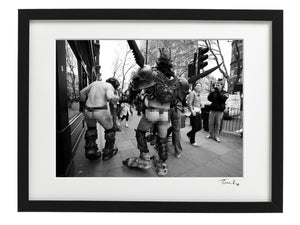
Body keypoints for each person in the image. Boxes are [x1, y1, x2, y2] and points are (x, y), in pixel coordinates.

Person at [123, 51, 178, 176]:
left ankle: (144, 158)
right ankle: (162, 165)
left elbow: (135, 86)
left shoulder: (154, 75)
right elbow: (176, 100)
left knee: (140, 132)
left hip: (153, 111)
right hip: (166, 113)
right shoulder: (174, 80)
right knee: (163, 139)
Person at [80, 77, 120, 160]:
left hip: (88, 110)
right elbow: (110, 96)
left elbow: (82, 92)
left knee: (91, 129)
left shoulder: (94, 83)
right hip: (101, 110)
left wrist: (82, 105)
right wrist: (118, 98)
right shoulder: (109, 86)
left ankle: (91, 150)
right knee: (111, 130)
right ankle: (108, 152)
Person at [167, 77, 190, 158]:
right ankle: (178, 152)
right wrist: (184, 109)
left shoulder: (168, 87)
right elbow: (184, 101)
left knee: (162, 128)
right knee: (177, 131)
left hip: (166, 108)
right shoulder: (182, 89)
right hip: (177, 109)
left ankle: (161, 146)